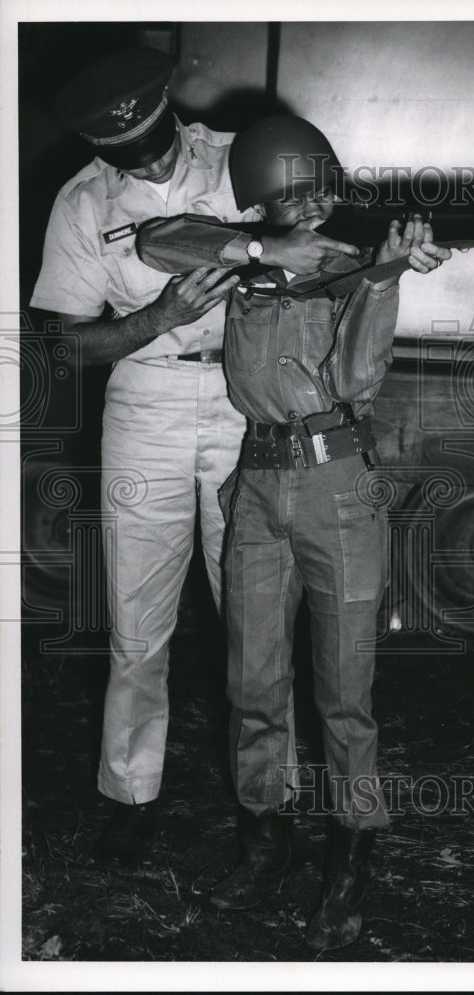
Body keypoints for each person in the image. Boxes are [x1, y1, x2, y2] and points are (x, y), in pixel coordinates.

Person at [30, 50, 360, 866]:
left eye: (153, 143)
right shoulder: (81, 204)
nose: (142, 161)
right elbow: (64, 344)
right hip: (144, 406)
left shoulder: (244, 154)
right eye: (120, 154)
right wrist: (155, 318)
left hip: (251, 406)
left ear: (167, 108)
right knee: (137, 626)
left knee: (257, 623)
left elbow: (317, 242)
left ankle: (268, 803)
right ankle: (131, 795)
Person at [136, 114, 451, 950]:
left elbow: (355, 376)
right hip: (257, 486)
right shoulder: (242, 259)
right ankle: (262, 846)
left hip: (336, 488)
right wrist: (259, 253)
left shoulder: (349, 268)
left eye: (321, 191)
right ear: (260, 205)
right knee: (250, 684)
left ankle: (349, 866)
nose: (314, 209)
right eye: (291, 197)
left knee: (343, 696)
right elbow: (157, 240)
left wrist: (383, 280)